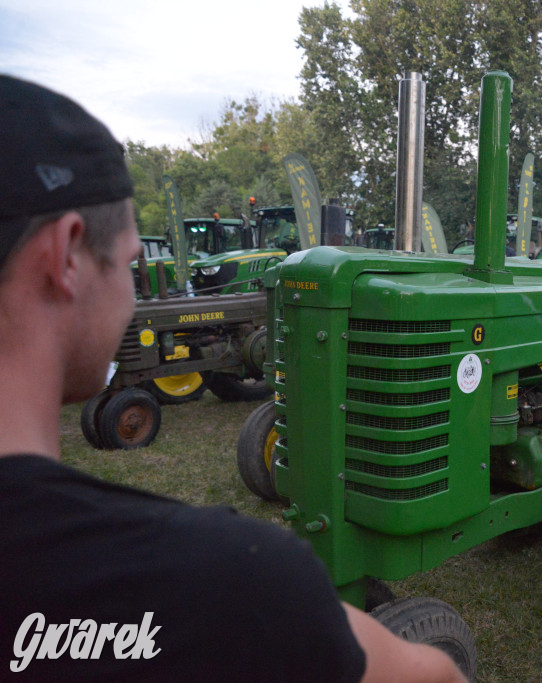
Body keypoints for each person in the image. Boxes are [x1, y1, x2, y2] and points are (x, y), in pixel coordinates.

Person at [0, 75, 466, 682]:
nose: (132, 289)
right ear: (66, 256)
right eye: (132, 264)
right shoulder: (225, 585)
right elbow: (435, 676)